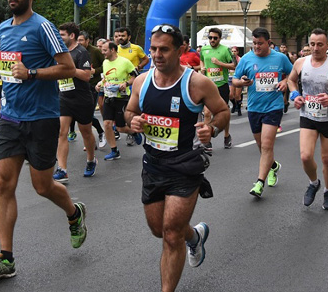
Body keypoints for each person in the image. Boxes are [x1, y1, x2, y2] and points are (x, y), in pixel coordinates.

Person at [0, 0, 86, 279]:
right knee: (3, 183)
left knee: (42, 186)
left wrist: (33, 73)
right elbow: (11, 68)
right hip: (11, 118)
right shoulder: (3, 28)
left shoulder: (43, 27)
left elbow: (68, 68)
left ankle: (74, 213)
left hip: (41, 118)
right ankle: (6, 258)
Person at [125, 23, 229, 292]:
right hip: (153, 165)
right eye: (153, 49)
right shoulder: (142, 81)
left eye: (164, 50)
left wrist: (212, 129)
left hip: (185, 165)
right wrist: (133, 121)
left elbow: (222, 111)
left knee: (171, 235)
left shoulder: (196, 83)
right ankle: (194, 236)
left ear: (180, 50)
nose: (157, 55)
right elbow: (129, 111)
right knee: (158, 229)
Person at [287, 28, 328, 211]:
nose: (315, 48)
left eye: (319, 44)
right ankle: (314, 182)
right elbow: (291, 81)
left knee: (326, 159)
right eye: (312, 44)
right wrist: (295, 95)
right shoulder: (301, 62)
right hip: (308, 115)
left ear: (327, 45)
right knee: (305, 156)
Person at [231, 28, 293, 198]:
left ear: (268, 43)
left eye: (260, 43)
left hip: (273, 107)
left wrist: (285, 81)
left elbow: (293, 73)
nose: (256, 46)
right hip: (254, 108)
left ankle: (259, 183)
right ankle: (273, 166)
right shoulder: (246, 59)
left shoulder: (280, 58)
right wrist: (241, 83)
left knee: (266, 145)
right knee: (261, 146)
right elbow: (235, 79)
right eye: (254, 43)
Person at [53, 23, 97, 182]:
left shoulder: (81, 52)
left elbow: (86, 76)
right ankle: (62, 169)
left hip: (82, 99)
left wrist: (69, 69)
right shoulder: (60, 52)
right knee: (61, 132)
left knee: (86, 132)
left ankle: (91, 160)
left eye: (62, 35)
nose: (59, 37)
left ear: (72, 36)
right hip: (64, 97)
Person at [97, 41, 142, 160]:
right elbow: (106, 78)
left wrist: (126, 83)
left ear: (112, 50)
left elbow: (136, 76)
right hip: (108, 97)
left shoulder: (125, 62)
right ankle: (114, 151)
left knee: (120, 128)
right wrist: (100, 84)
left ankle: (133, 132)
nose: (102, 52)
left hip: (121, 98)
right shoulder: (105, 62)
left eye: (105, 50)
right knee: (107, 124)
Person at [200, 27, 234, 149]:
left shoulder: (225, 50)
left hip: (222, 85)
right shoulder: (204, 49)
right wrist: (202, 68)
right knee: (207, 112)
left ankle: (226, 136)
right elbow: (201, 60)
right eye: (210, 37)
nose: (212, 40)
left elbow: (233, 65)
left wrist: (220, 64)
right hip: (208, 86)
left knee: (224, 113)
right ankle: (207, 140)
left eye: (215, 38)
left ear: (220, 38)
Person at [70, 31, 106, 149]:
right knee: (76, 114)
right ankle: (88, 140)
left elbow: (106, 65)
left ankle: (100, 133)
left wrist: (95, 71)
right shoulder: (72, 51)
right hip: (78, 87)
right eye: (77, 40)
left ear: (87, 40)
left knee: (88, 114)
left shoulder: (95, 51)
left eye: (81, 40)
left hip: (93, 86)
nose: (79, 42)